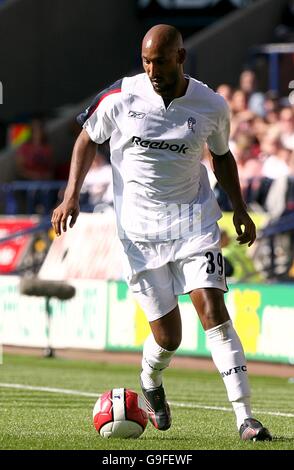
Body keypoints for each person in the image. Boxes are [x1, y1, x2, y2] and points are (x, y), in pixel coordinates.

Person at [51, 24, 272, 442]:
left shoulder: (210, 104)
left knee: (212, 310)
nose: (152, 69)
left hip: (195, 223)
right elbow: (85, 139)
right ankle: (150, 380)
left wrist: (239, 209)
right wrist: (71, 196)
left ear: (181, 58)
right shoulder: (122, 96)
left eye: (161, 61)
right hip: (138, 233)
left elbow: (223, 158)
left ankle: (246, 417)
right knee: (169, 337)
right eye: (147, 61)